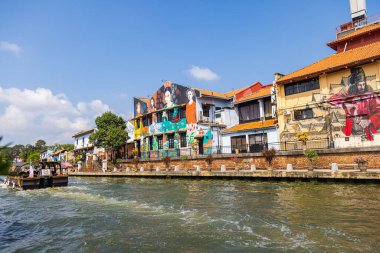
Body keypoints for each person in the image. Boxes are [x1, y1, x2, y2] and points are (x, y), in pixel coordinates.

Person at [329, 67, 380, 140]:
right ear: (355, 85)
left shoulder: (371, 95)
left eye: (363, 84)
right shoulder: (348, 95)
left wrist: (369, 120)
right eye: (359, 85)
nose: (362, 87)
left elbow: (378, 111)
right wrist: (345, 104)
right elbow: (331, 100)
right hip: (351, 133)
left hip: (368, 132)